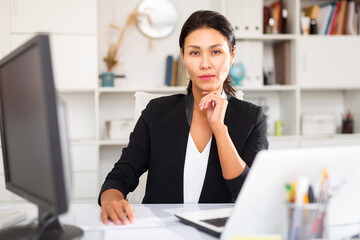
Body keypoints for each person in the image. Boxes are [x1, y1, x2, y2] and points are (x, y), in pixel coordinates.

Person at [99, 10, 269, 225]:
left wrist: (219, 128)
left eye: (216, 52)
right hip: (159, 231)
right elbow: (120, 176)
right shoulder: (156, 112)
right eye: (195, 53)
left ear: (232, 55)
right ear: (183, 56)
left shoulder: (253, 118)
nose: (205, 64)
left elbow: (250, 194)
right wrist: (112, 201)